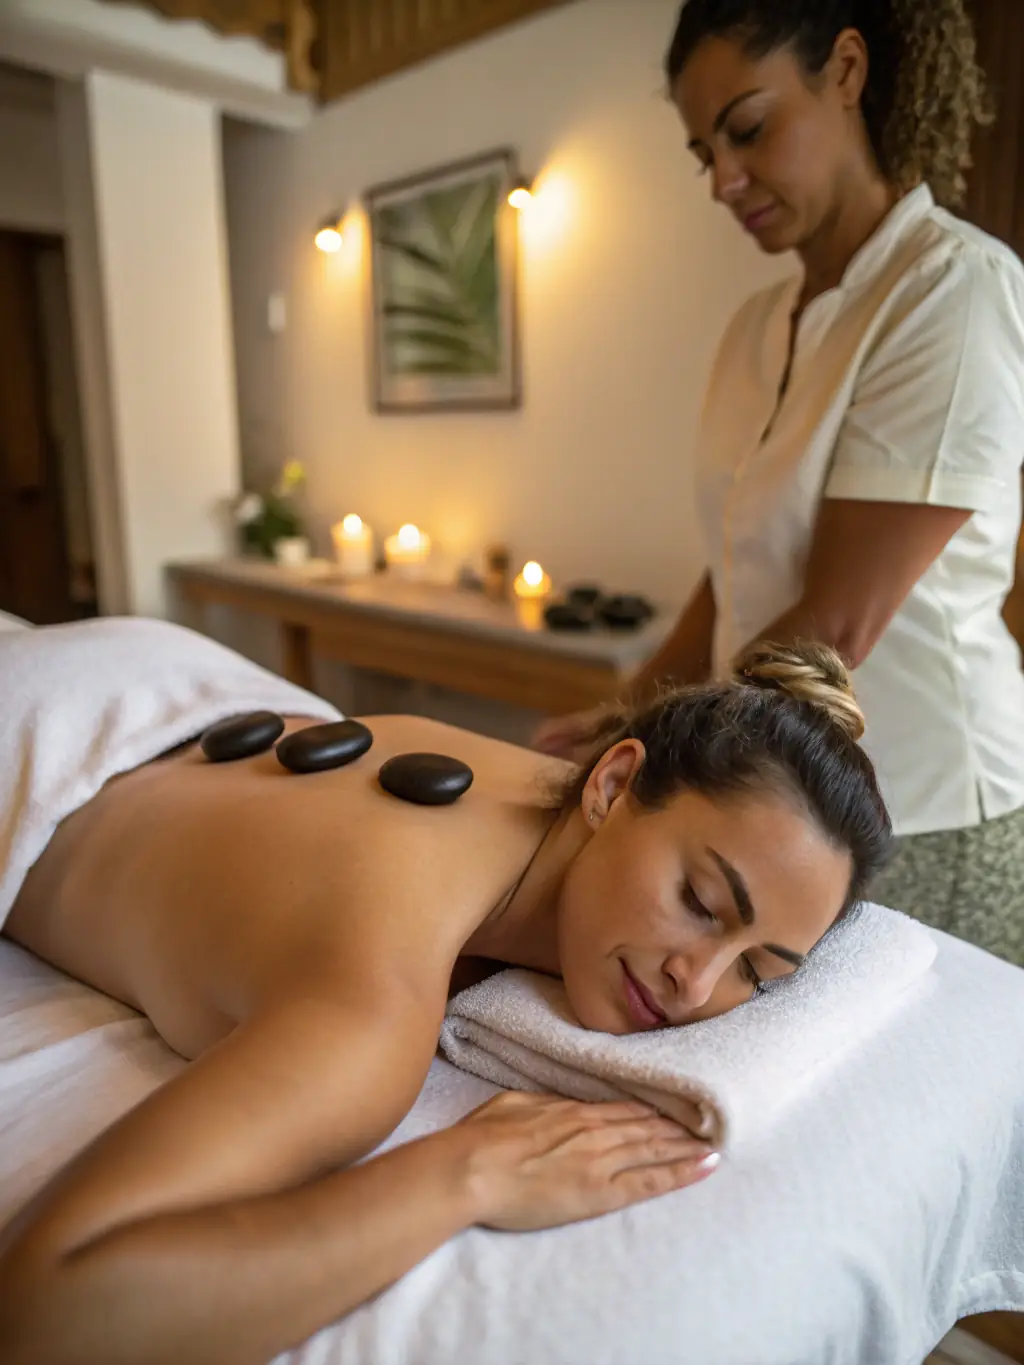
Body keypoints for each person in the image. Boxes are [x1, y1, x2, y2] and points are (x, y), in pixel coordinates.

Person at [0, 617, 889, 1363]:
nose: (695, 983)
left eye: (758, 972)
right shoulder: (370, 999)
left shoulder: (553, 787)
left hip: (169, 671)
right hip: (50, 722)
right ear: (613, 783)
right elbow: (50, 1303)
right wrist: (466, 1172)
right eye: (699, 901)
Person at [535, 0, 1024, 968]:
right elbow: (739, 566)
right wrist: (627, 708)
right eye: (703, 154)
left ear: (845, 71)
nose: (723, 180)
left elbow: (835, 624)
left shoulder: (952, 291)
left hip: (922, 808)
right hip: (770, 793)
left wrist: (649, 749)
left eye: (748, 129)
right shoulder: (756, 328)